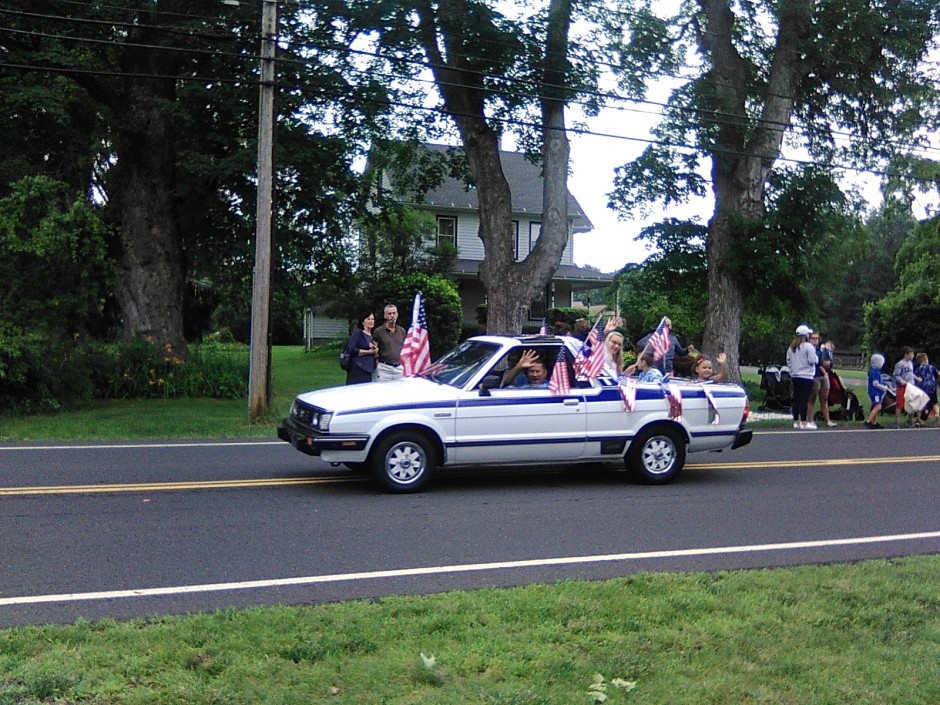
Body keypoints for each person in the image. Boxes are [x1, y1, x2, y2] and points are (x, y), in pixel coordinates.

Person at [786, 324, 818, 430]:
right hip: (806, 376)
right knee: (804, 399)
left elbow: (788, 360)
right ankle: (804, 422)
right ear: (806, 335)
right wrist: (817, 359)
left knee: (797, 398)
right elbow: (812, 360)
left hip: (795, 376)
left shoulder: (792, 347)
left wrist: (792, 370)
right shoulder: (808, 346)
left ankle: (796, 421)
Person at [807, 332, 836, 428]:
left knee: (824, 400)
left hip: (823, 376)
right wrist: (824, 370)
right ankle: (809, 420)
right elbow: (817, 364)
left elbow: (825, 362)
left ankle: (827, 420)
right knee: (812, 400)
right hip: (814, 376)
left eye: (817, 338)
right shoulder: (809, 350)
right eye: (813, 338)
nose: (815, 340)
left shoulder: (820, 350)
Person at [373, 303, 406, 382]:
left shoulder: (402, 331)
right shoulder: (378, 332)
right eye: (389, 313)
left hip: (399, 368)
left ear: (397, 315)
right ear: (385, 316)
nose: (392, 316)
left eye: (394, 313)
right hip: (384, 368)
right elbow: (374, 349)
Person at [344, 311, 378, 385]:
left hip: (368, 369)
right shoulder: (358, 333)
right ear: (363, 322)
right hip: (357, 368)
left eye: (372, 319)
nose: (371, 321)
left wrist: (375, 351)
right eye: (368, 319)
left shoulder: (372, 337)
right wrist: (368, 352)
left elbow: (374, 354)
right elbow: (352, 350)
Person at [892, 346, 918, 428]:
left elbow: (910, 374)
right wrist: (901, 381)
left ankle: (910, 420)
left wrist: (916, 378)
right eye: (911, 354)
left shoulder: (911, 363)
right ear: (906, 354)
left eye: (913, 354)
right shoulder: (900, 364)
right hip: (902, 387)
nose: (912, 356)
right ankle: (897, 422)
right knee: (900, 404)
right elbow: (896, 375)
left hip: (911, 386)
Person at [913, 352, 939, 423]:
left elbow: (915, 378)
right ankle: (937, 414)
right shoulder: (931, 367)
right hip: (932, 388)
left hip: (922, 389)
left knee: (921, 404)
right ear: (925, 360)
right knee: (934, 403)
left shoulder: (918, 369)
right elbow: (938, 374)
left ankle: (918, 419)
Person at [864, 354, 888, 429]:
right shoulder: (875, 372)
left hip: (877, 392)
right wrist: (883, 387)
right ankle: (868, 421)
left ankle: (874, 422)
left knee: (876, 406)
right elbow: (875, 383)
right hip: (875, 392)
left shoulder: (875, 371)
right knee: (878, 406)